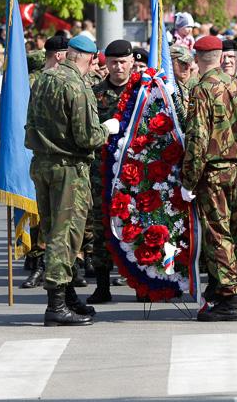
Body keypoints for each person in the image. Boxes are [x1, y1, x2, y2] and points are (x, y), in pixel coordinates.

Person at [25, 34, 118, 327]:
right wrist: (108, 129)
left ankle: (66, 296)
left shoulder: (43, 78)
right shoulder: (76, 85)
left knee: (52, 230)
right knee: (66, 236)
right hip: (69, 169)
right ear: (88, 59)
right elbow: (86, 136)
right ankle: (56, 304)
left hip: (43, 163)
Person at [180, 36, 237, 321]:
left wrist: (188, 180)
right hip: (235, 166)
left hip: (212, 171)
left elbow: (197, 138)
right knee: (230, 232)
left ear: (197, 58)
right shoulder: (235, 84)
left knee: (216, 235)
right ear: (221, 56)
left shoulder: (202, 90)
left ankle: (228, 298)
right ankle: (220, 287)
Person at [86, 39, 133, 304]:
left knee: (135, 225)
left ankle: (140, 283)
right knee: (101, 226)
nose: (118, 67)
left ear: (131, 62)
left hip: (135, 169)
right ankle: (102, 285)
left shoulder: (142, 92)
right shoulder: (96, 93)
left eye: (122, 62)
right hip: (102, 170)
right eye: (113, 62)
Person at [20, 34, 69, 289]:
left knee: (47, 214)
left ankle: (51, 267)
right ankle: (40, 264)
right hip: (32, 150)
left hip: (44, 152)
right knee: (39, 212)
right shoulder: (31, 82)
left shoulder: (57, 80)